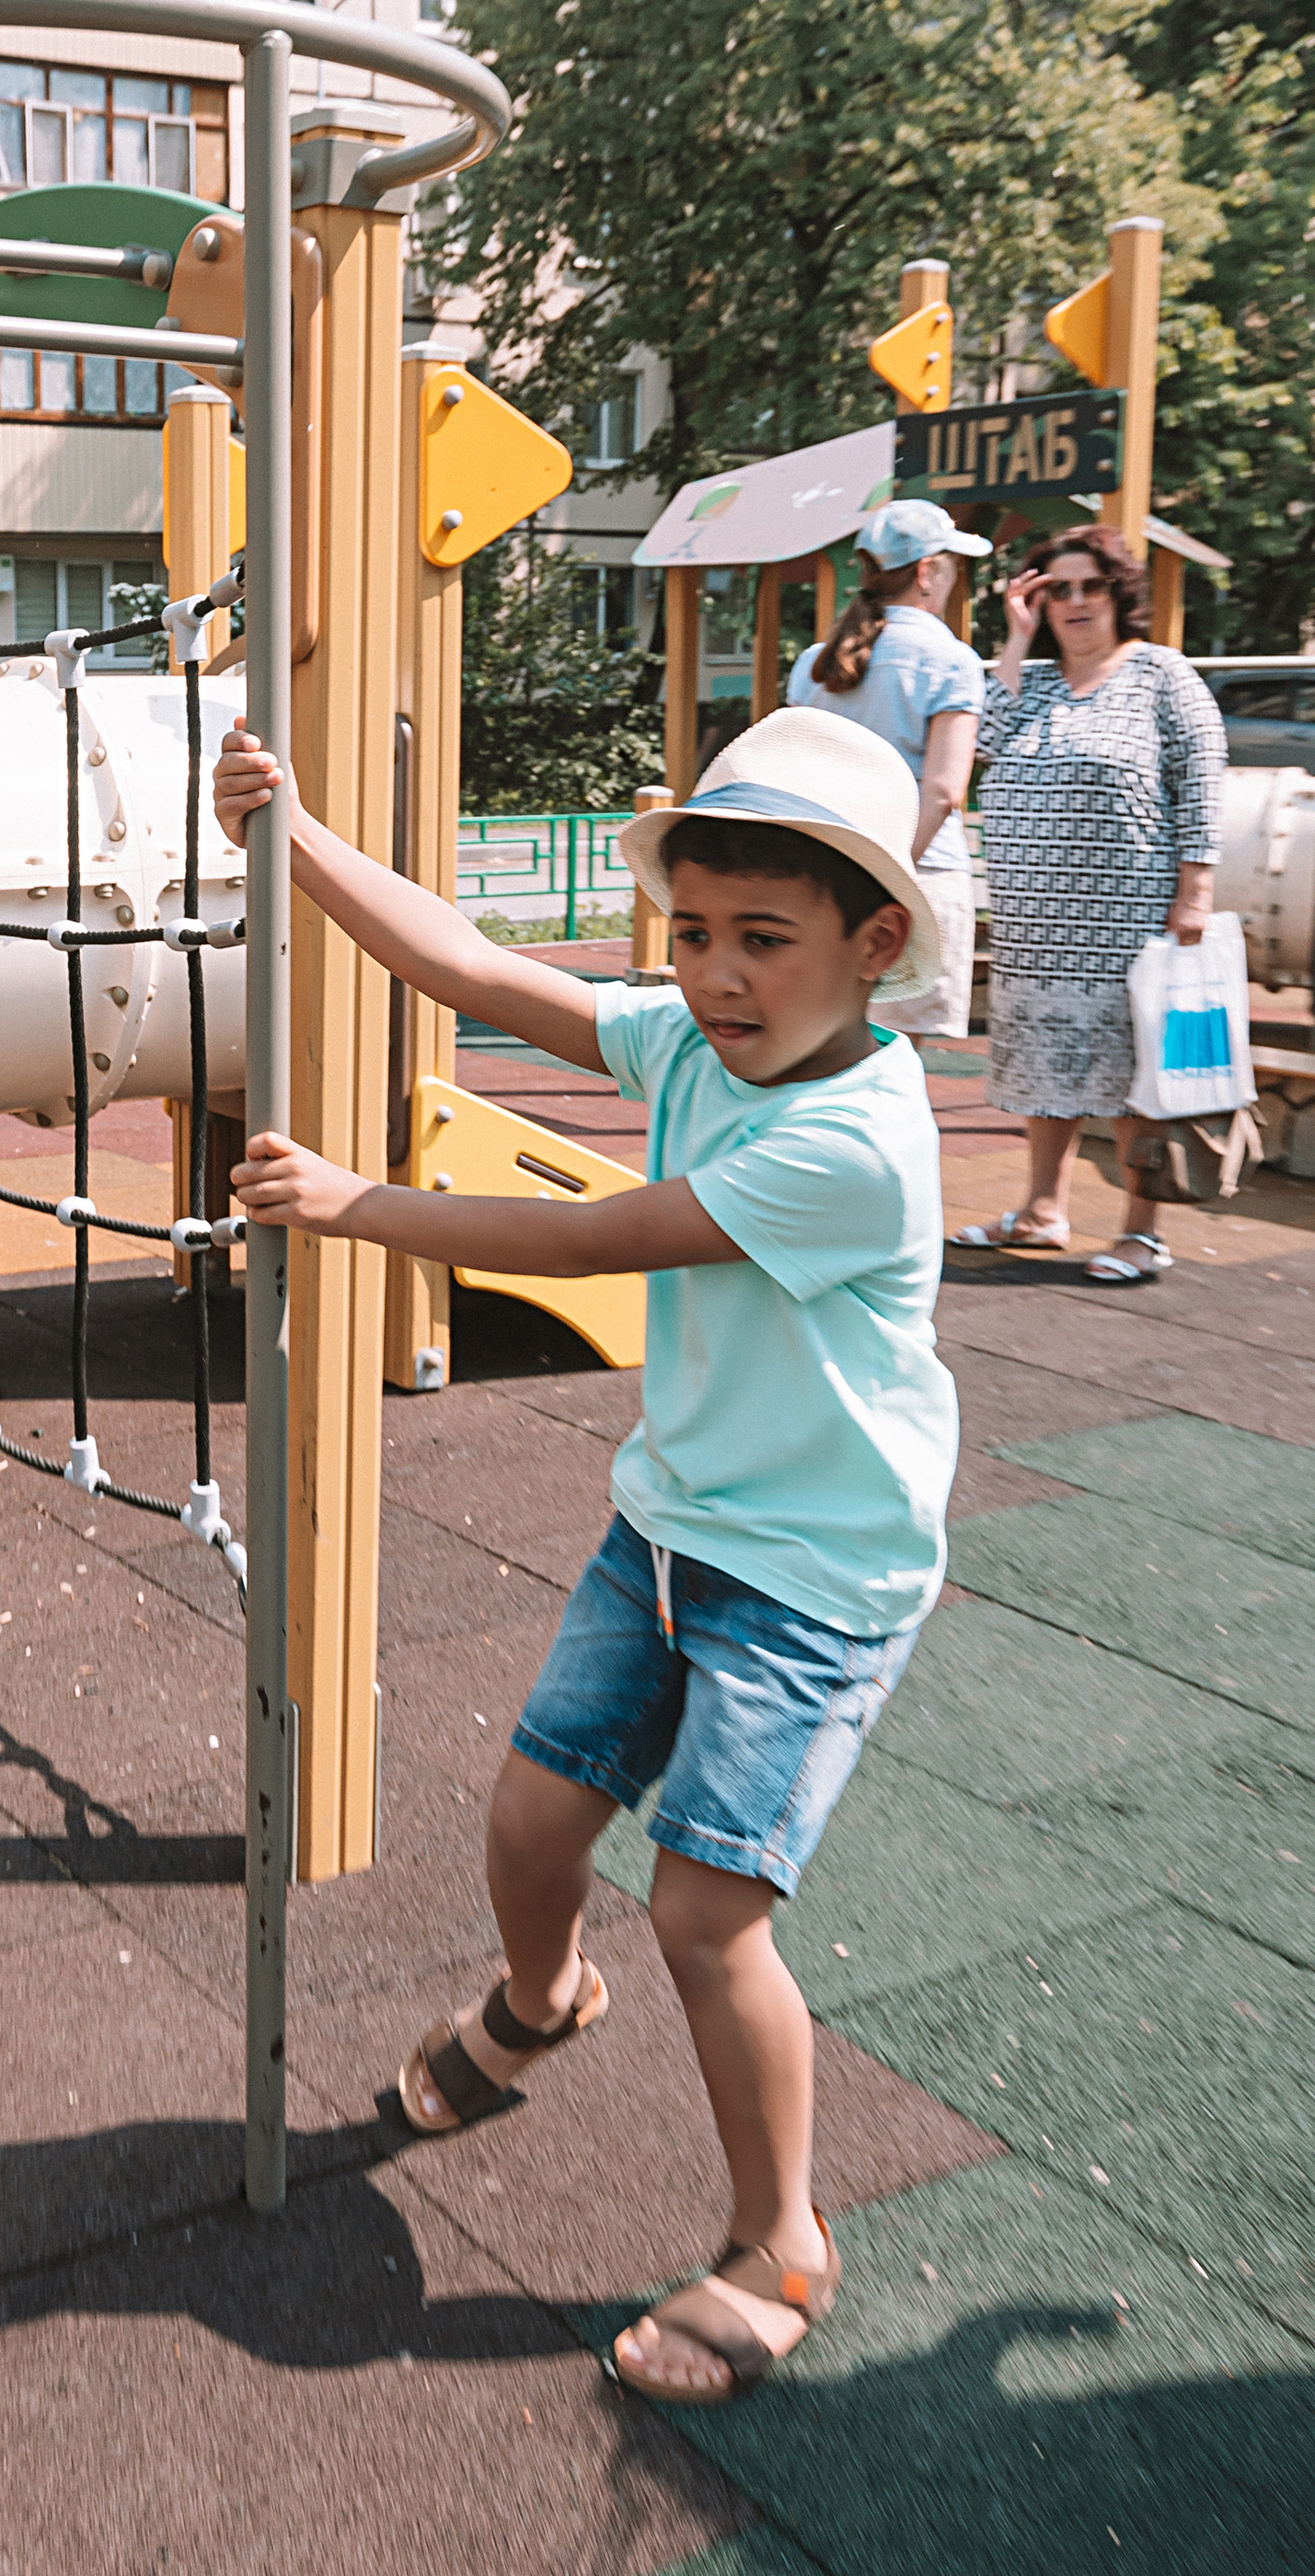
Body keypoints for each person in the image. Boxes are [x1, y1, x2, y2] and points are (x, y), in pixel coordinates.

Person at [213, 705, 956, 2404]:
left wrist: (352, 1202)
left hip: (812, 1581)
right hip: (672, 1526)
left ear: (873, 945)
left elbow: (591, 1237)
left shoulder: (853, 1144)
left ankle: (780, 2239)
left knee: (706, 1909)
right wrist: (293, 833)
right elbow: (474, 969)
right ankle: (543, 1998)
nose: (716, 975)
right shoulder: (694, 1044)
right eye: (691, 933)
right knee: (533, 1823)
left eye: (763, 939)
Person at [956, 525, 1225, 1282]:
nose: (1075, 602)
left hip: (1127, 919)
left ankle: (1142, 1230)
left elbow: (1201, 778)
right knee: (1045, 1069)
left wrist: (1195, 890)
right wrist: (1015, 637)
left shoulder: (1160, 674)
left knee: (1135, 1077)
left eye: (1090, 586)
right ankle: (1042, 1211)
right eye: (1057, 590)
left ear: (1118, 593)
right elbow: (981, 743)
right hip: (1035, 925)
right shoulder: (1033, 681)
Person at [787, 499, 987, 1043]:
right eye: (953, 565)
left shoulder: (813, 664)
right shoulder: (952, 661)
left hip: (826, 871)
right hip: (918, 875)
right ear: (927, 572)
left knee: (819, 1048)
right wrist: (890, 873)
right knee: (894, 1059)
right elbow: (943, 791)